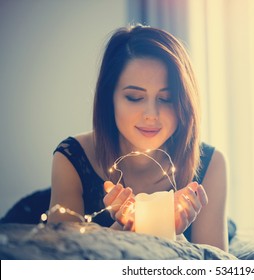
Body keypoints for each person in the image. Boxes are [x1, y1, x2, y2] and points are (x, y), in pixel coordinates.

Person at [48, 24, 228, 251]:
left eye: (166, 98)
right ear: (109, 98)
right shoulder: (72, 158)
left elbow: (217, 267)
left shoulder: (211, 163)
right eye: (134, 97)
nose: (151, 115)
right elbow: (63, 263)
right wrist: (124, 230)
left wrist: (173, 235)